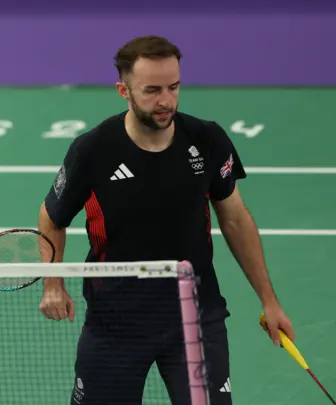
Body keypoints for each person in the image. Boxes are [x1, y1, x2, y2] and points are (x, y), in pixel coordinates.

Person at [37, 35, 295, 405]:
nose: (166, 101)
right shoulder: (93, 150)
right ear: (123, 90)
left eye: (173, 87)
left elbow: (235, 219)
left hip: (194, 316)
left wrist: (269, 300)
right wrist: (52, 285)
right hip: (116, 321)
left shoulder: (206, 139)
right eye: (152, 90)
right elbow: (51, 218)